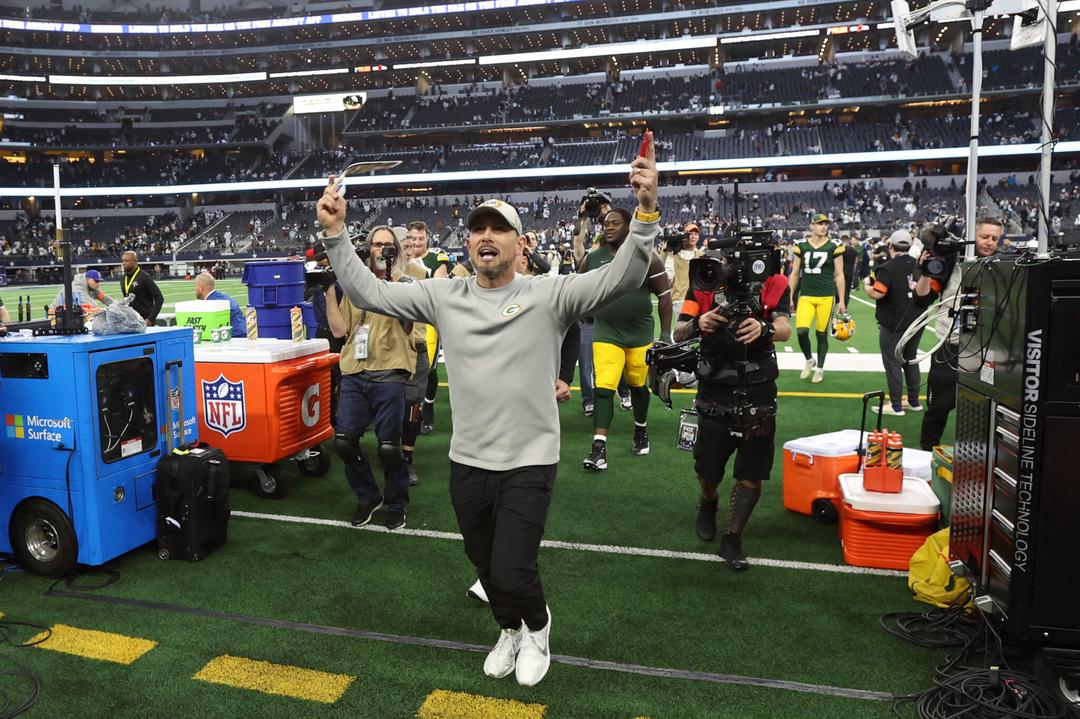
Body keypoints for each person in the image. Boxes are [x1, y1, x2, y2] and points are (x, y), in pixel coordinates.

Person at [316, 140, 659, 687]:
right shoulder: (443, 294)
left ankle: (538, 628)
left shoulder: (552, 294)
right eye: (478, 229)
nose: (485, 237)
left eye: (498, 228)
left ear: (520, 244)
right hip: (468, 460)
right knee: (483, 565)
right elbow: (368, 290)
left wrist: (644, 214)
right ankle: (509, 629)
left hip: (529, 459)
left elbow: (621, 276)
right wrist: (335, 234)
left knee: (511, 568)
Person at [673, 250, 792, 570]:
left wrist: (764, 329)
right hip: (714, 388)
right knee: (706, 468)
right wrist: (699, 323)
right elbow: (678, 331)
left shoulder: (773, 281)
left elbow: (784, 327)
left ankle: (733, 535)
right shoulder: (703, 280)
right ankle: (708, 500)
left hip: (758, 387)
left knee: (752, 470)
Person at [325, 226, 417, 531]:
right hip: (354, 370)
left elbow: (409, 329)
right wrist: (327, 290)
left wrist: (390, 285)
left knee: (390, 447)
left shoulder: (407, 285)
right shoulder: (356, 287)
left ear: (397, 251)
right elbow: (340, 331)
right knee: (344, 442)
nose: (381, 251)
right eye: (376, 245)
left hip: (390, 371)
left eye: (387, 245)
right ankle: (368, 497)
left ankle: (397, 503)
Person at [580, 207, 673, 470]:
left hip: (639, 333)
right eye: (606, 223)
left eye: (615, 223)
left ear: (629, 227)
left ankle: (640, 428)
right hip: (606, 331)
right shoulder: (593, 258)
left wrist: (665, 335)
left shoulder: (647, 257)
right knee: (603, 388)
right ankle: (598, 448)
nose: (608, 227)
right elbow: (577, 288)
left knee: (637, 385)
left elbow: (665, 296)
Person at [914, 217, 1002, 449]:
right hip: (949, 348)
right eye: (984, 236)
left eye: (994, 238)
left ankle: (979, 459)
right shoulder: (951, 263)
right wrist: (924, 271)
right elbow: (921, 298)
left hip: (985, 351)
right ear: (972, 236)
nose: (989, 242)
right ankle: (927, 452)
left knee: (983, 410)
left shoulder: (1005, 267)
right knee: (938, 409)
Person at [863, 231, 923, 416]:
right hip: (917, 320)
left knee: (892, 362)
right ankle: (914, 401)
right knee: (911, 360)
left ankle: (896, 405)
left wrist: (867, 286)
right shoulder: (918, 265)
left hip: (894, 322)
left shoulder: (887, 268)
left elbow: (878, 293)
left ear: (891, 246)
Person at [788, 214, 846, 383]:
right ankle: (809, 360)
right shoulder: (801, 245)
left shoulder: (834, 245)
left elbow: (839, 274)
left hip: (826, 296)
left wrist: (842, 300)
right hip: (806, 295)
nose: (824, 226)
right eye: (820, 223)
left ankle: (819, 368)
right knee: (801, 331)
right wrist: (790, 297)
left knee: (821, 334)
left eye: (826, 224)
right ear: (811, 226)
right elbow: (794, 273)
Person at [407, 220, 449, 434]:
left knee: (428, 368)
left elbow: (440, 286)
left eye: (420, 238)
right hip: (405, 318)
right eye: (412, 238)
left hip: (428, 319)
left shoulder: (435, 257)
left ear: (427, 240)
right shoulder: (401, 258)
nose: (416, 242)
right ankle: (407, 409)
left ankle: (428, 405)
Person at [662, 223, 703, 316]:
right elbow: (665, 271)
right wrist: (668, 246)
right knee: (684, 327)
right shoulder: (674, 254)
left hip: (696, 298)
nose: (693, 237)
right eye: (690, 234)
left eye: (696, 234)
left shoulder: (701, 255)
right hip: (679, 298)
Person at [194, 272, 245, 339]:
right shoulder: (227, 297)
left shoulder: (208, 304)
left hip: (233, 338)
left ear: (201, 288)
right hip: (244, 333)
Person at [120, 251, 164, 326]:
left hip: (145, 320)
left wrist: (150, 319)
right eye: (123, 261)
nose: (124, 263)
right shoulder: (124, 278)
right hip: (131, 320)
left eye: (126, 261)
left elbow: (159, 298)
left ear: (135, 261)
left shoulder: (144, 277)